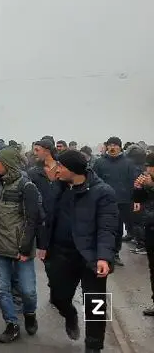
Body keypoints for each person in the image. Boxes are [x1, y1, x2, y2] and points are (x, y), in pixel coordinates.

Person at [38, 150, 117, 353]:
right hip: (61, 253)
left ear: (73, 169)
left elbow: (108, 227)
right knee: (58, 296)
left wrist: (104, 257)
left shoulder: (103, 192)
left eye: (61, 166)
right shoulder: (58, 187)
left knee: (96, 305)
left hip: (91, 256)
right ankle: (70, 314)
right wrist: (43, 245)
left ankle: (93, 346)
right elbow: (47, 217)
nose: (57, 169)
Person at [0, 147, 41, 343]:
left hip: (20, 250)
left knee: (28, 290)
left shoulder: (26, 187)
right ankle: (11, 324)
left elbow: (33, 219)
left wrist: (25, 248)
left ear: (7, 163)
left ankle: (30, 314)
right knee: (2, 288)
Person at [93, 136, 138, 266]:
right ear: (107, 147)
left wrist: (135, 199)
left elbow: (134, 182)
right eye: (110, 145)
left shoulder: (128, 163)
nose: (112, 147)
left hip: (122, 201)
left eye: (115, 145)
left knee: (118, 228)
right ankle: (103, 254)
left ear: (120, 147)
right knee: (103, 228)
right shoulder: (100, 162)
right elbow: (94, 180)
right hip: (103, 201)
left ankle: (115, 253)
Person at [133, 153, 154, 316]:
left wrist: (151, 186)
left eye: (150, 166)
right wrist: (139, 188)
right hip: (151, 228)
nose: (147, 170)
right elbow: (139, 201)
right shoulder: (148, 180)